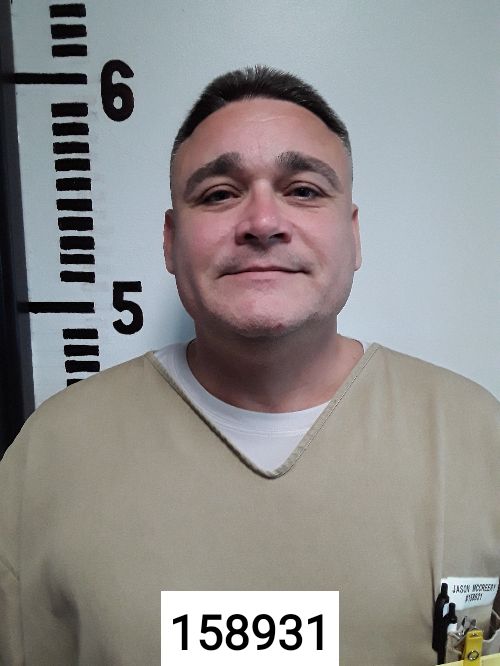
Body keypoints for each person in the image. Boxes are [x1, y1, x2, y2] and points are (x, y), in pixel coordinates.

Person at [0, 65, 498, 665]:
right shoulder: (50, 454)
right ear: (170, 241)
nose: (263, 223)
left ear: (354, 235)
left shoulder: (478, 436)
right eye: (218, 194)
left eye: (304, 190)